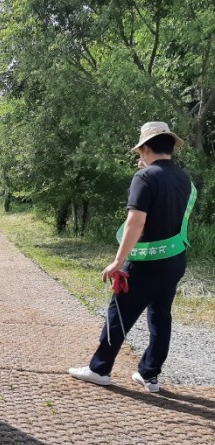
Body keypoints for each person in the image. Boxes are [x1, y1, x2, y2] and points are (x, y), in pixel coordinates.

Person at [69, 122, 196, 393]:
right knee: (161, 316)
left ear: (146, 147)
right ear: (171, 147)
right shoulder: (184, 179)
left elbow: (135, 222)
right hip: (174, 259)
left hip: (146, 261)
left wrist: (117, 261)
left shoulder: (145, 177)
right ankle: (149, 375)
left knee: (120, 312)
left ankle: (99, 369)